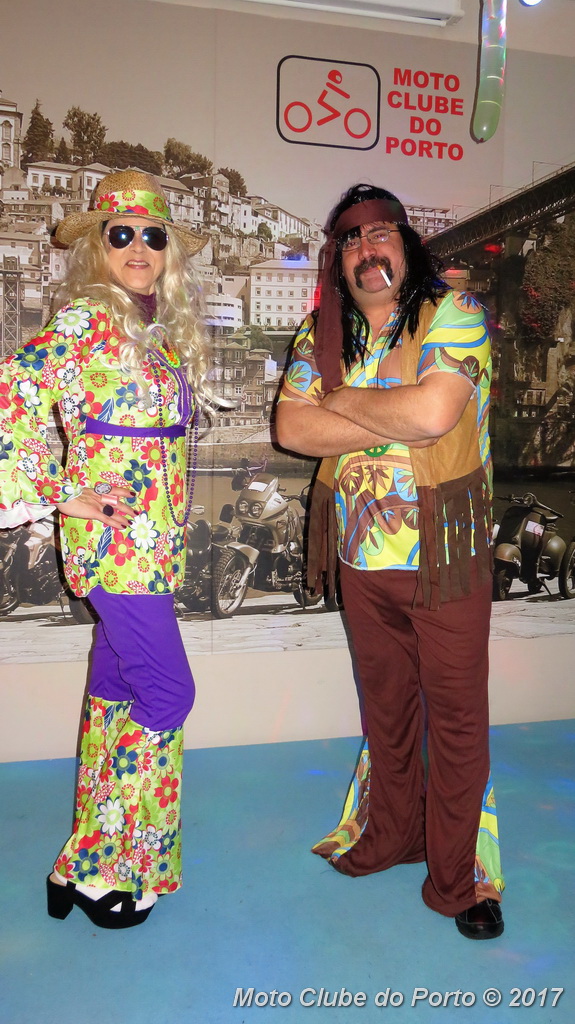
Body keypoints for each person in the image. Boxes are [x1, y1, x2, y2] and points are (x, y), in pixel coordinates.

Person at [276, 183, 504, 940]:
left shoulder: (455, 314)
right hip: (360, 555)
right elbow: (291, 429)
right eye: (350, 239)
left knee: (457, 721)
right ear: (336, 261)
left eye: (381, 233)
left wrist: (338, 402)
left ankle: (460, 879)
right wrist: (390, 412)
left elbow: (434, 414)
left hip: (446, 554)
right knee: (388, 713)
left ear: (407, 245)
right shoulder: (320, 334)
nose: (366, 249)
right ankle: (394, 834)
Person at [0, 170, 213, 928]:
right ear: (97, 244)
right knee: (169, 695)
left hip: (152, 543)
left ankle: (82, 868)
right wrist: (60, 493)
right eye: (120, 234)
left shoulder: (155, 330)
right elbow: (14, 390)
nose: (138, 247)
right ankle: (105, 863)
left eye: (153, 235)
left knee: (118, 690)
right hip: (119, 544)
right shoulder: (89, 320)